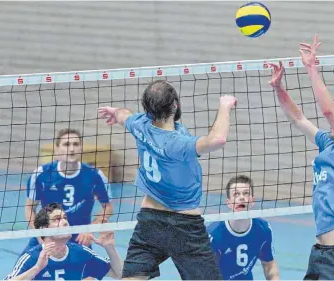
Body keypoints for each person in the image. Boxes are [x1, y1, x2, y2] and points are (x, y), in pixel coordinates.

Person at [98, 80, 237, 280]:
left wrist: (115, 110)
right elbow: (217, 139)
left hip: (150, 220)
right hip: (185, 225)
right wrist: (225, 105)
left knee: (132, 277)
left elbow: (124, 115)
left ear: (147, 109)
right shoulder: (176, 144)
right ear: (175, 105)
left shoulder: (140, 125)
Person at [268, 34, 334, 280]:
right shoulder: (328, 144)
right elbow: (298, 118)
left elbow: (327, 110)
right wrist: (278, 87)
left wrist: (311, 68)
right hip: (320, 252)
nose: (333, 118)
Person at [23, 128, 114, 253]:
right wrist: (41, 236)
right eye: (66, 144)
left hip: (79, 238)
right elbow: (29, 208)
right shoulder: (42, 174)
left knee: (93, 271)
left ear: (81, 148)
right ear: (57, 149)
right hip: (49, 235)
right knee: (21, 272)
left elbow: (108, 207)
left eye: (75, 144)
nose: (71, 149)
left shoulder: (95, 175)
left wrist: (89, 229)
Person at [4, 203, 122, 280]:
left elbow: (120, 274)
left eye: (65, 218)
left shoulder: (81, 253)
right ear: (44, 229)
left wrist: (110, 248)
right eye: (57, 219)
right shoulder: (32, 257)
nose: (65, 222)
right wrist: (37, 268)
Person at [207, 175, 280, 280]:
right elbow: (203, 273)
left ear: (252, 201)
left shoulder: (263, 229)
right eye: (236, 194)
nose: (241, 197)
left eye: (246, 193)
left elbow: (269, 265)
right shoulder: (214, 234)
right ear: (228, 203)